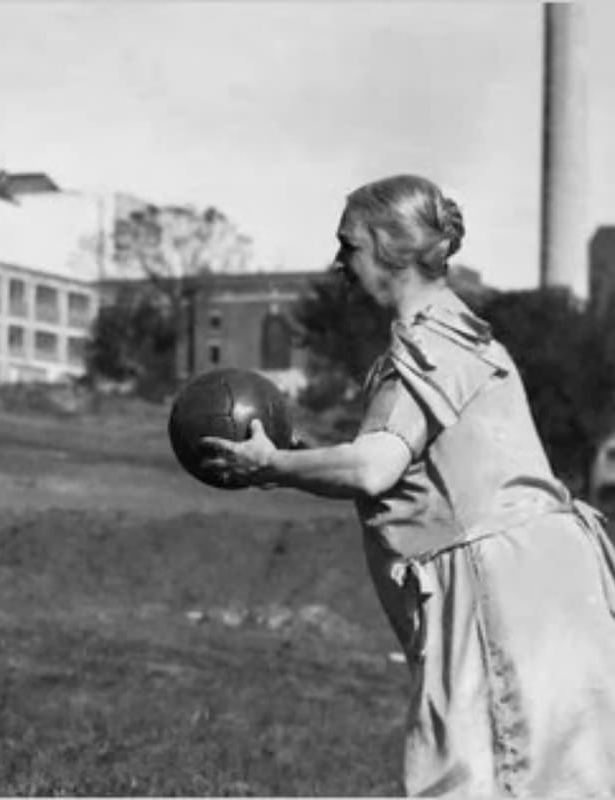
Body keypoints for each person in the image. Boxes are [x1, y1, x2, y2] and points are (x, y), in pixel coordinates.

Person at [201, 174, 615, 797]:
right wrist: (297, 460)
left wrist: (270, 465)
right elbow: (404, 473)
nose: (339, 263)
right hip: (544, 581)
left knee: (484, 782)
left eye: (349, 246)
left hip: (502, 589)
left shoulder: (428, 344)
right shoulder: (465, 334)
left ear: (391, 248)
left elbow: (373, 468)